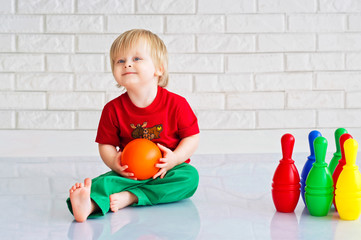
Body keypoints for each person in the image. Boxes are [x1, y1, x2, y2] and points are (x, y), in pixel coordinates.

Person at [66, 29, 200, 222]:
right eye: (119, 61)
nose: (127, 63)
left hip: (166, 171)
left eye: (137, 58)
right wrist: (115, 163)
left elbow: (192, 137)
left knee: (189, 178)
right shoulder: (112, 109)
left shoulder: (176, 104)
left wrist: (175, 159)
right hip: (130, 173)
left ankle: (132, 197)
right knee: (105, 182)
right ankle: (88, 205)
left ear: (159, 69)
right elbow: (106, 145)